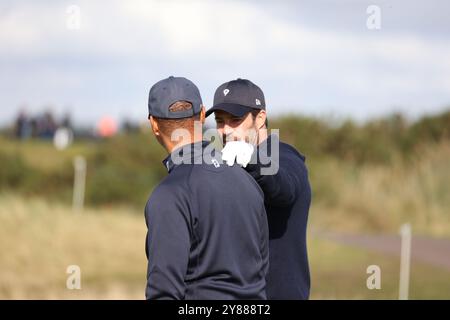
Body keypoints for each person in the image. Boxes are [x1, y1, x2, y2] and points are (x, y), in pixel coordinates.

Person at [144, 76, 269, 300]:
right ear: (202, 115)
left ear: (153, 124)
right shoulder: (248, 180)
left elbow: (163, 291)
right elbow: (260, 272)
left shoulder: (168, 195)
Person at [206, 78, 312, 299]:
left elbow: (284, 188)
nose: (225, 130)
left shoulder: (285, 157)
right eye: (219, 121)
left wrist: (253, 160)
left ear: (260, 118)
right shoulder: (232, 163)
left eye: (235, 119)